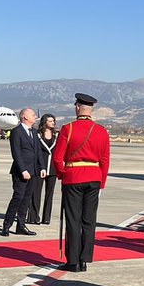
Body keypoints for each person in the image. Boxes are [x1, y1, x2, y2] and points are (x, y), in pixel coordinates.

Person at [52, 93, 110, 272]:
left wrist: (63, 174)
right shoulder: (101, 131)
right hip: (94, 177)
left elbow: (57, 158)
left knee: (73, 220)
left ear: (77, 107)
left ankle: (73, 261)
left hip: (73, 177)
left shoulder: (68, 129)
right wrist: (101, 182)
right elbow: (105, 160)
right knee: (89, 220)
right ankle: (85, 258)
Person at [1, 107, 40, 236]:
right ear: (25, 117)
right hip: (21, 172)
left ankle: (21, 226)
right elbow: (16, 153)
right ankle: (7, 225)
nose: (35, 117)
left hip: (33, 171)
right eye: (33, 115)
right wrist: (23, 170)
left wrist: (42, 167)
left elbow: (38, 151)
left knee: (26, 199)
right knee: (18, 198)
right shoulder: (16, 132)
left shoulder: (34, 132)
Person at [27, 114, 57, 225]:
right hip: (39, 167)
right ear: (44, 122)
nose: (52, 123)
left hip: (52, 168)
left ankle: (46, 217)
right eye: (50, 121)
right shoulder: (37, 134)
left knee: (50, 194)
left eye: (53, 121)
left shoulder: (56, 135)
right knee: (36, 192)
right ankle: (33, 217)